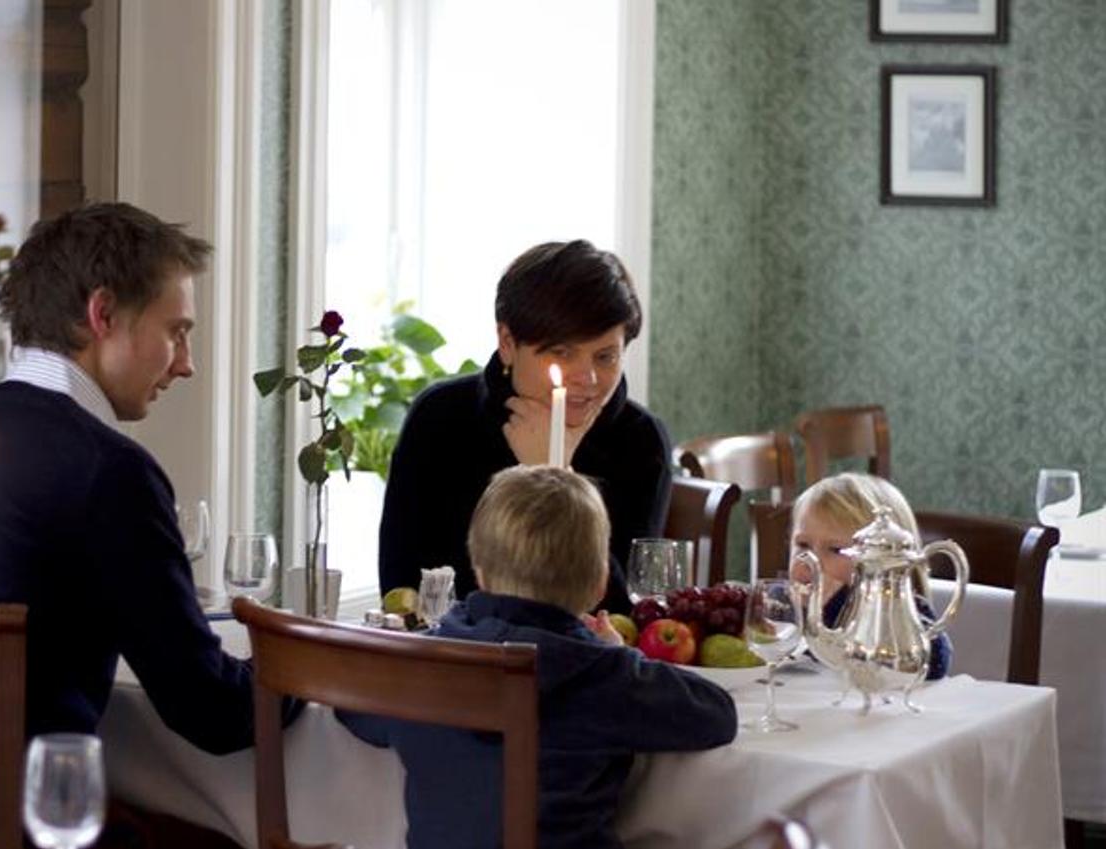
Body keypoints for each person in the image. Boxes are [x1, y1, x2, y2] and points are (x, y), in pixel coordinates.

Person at [0, 202, 296, 828]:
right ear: (103, 315)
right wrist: (308, 673)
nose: (186, 363)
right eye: (176, 332)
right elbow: (209, 713)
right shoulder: (109, 471)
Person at [344, 466, 737, 849]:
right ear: (600, 583)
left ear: (479, 573)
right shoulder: (606, 675)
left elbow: (351, 707)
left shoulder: (422, 665)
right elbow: (716, 714)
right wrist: (619, 652)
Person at [379, 240, 671, 615]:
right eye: (562, 353)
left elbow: (621, 611)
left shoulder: (640, 440)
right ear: (507, 343)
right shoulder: (440, 417)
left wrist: (556, 475)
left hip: (577, 653)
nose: (588, 378)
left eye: (605, 357)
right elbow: (401, 586)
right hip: (451, 647)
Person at [789, 472, 952, 680]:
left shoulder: (896, 609)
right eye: (803, 545)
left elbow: (936, 662)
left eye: (836, 550)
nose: (812, 561)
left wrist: (837, 606)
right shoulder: (783, 604)